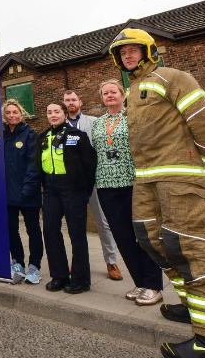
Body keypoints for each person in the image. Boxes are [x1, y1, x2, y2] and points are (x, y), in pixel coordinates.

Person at [109, 28, 205, 358]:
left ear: (148, 50)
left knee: (188, 248)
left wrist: (204, 165)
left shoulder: (172, 77)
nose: (127, 56)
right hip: (147, 180)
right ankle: (192, 304)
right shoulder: (132, 90)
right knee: (152, 240)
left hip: (179, 177)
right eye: (122, 53)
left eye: (133, 50)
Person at [91, 78, 164, 305]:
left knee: (142, 235)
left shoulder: (133, 116)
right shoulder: (97, 123)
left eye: (114, 92)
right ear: (102, 98)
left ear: (123, 95)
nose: (110, 96)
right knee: (122, 237)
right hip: (106, 185)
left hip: (134, 184)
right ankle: (140, 282)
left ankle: (154, 285)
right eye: (106, 93)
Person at [63, 90, 122, 281]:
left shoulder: (94, 122)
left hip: (95, 180)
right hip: (72, 183)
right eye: (67, 100)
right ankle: (78, 261)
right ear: (64, 103)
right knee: (74, 224)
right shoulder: (60, 125)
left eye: (74, 99)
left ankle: (111, 261)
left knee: (103, 223)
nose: (71, 102)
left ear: (80, 101)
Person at [40, 102, 97, 294]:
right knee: (50, 231)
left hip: (73, 191)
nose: (53, 115)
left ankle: (81, 280)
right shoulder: (43, 137)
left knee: (77, 234)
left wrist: (84, 191)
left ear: (65, 114)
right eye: (49, 112)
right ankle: (59, 276)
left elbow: (90, 165)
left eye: (56, 111)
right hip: (51, 190)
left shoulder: (77, 136)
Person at [2, 99, 42, 285]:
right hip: (8, 194)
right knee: (11, 230)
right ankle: (17, 263)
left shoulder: (30, 135)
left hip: (28, 193)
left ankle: (34, 267)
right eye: (8, 112)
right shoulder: (1, 136)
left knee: (33, 230)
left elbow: (33, 166)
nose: (12, 115)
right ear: (4, 115)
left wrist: (27, 189)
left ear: (21, 113)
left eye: (15, 112)